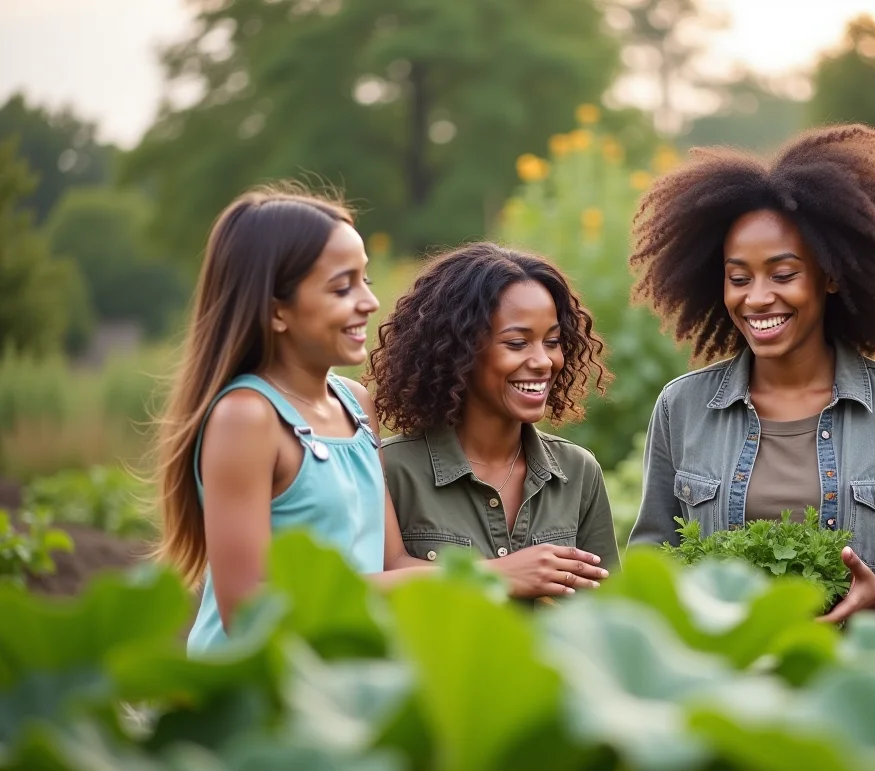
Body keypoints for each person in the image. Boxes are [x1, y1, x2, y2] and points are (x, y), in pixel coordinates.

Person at [628, 124, 875, 622]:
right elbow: (650, 560)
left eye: (784, 275)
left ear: (828, 275)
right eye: (739, 278)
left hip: (858, 676)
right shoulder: (682, 407)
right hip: (727, 677)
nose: (758, 298)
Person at [155, 185, 418, 655]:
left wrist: (498, 577)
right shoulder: (247, 418)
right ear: (277, 310)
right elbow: (248, 613)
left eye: (366, 281)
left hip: (331, 686)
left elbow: (391, 561)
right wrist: (496, 576)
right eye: (342, 287)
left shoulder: (356, 404)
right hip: (253, 694)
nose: (369, 303)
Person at [368, 242, 616, 599]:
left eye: (552, 341)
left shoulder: (578, 472)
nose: (544, 361)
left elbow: (608, 614)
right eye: (517, 343)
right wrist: (496, 576)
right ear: (460, 351)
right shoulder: (391, 471)